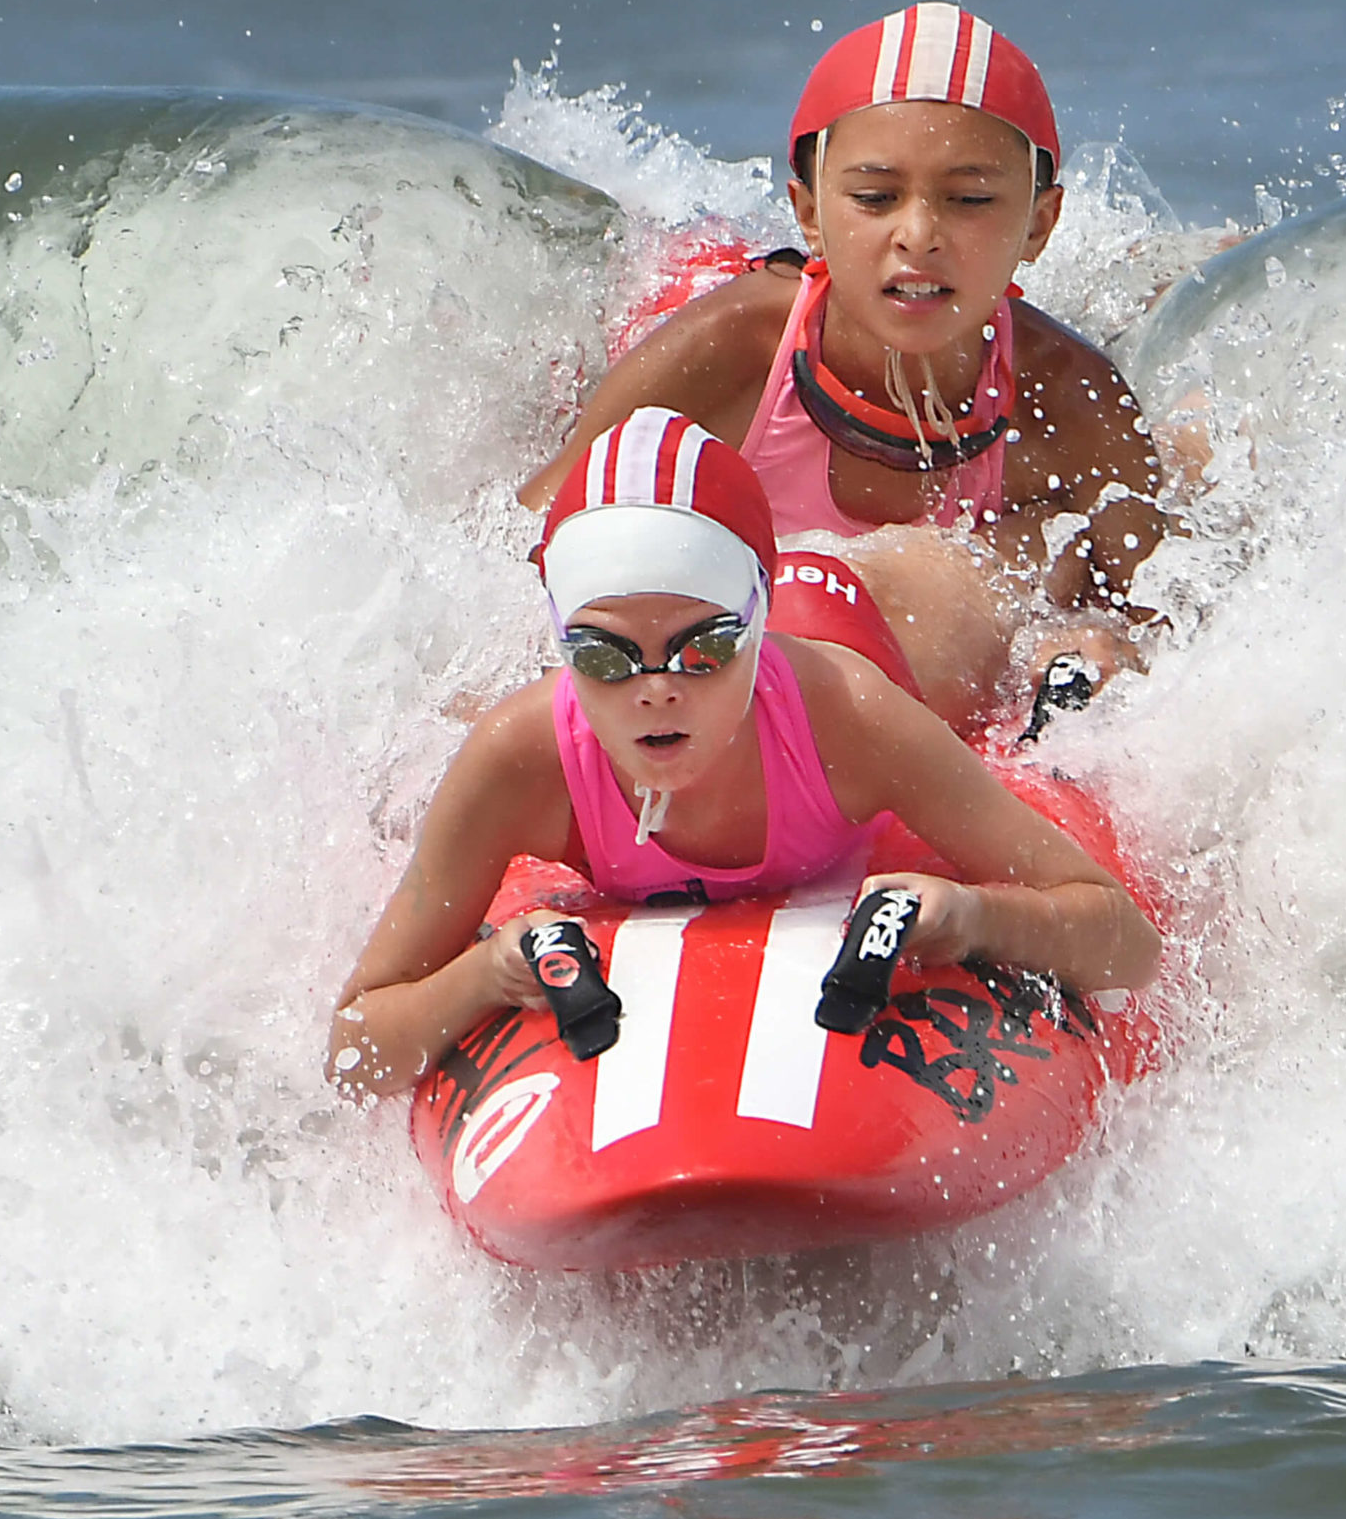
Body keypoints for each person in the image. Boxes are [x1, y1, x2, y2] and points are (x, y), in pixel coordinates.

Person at [329, 408, 1161, 1100]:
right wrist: (484, 977)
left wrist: (975, 918)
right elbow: (352, 1048)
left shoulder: (853, 720)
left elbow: (1126, 940)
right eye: (605, 657)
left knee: (1048, 601)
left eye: (703, 652)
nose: (656, 690)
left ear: (752, 633)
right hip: (756, 586)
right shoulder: (521, 759)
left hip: (887, 615)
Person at [516, 2, 1172, 736]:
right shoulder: (734, 351)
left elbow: (1162, 617)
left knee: (1054, 558)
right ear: (808, 213)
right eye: (874, 198)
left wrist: (1095, 651)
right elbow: (523, 553)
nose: (918, 235)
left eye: (970, 200)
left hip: (887, 643)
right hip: (702, 309)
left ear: (1039, 226)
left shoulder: (1075, 405)